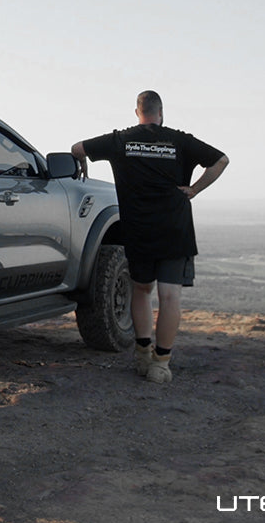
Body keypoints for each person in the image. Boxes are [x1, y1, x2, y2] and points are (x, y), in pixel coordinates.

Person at [71, 91, 228, 383]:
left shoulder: (121, 141)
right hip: (174, 228)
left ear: (137, 112)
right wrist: (194, 189)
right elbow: (221, 160)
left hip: (138, 229)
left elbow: (77, 148)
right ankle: (161, 363)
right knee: (170, 297)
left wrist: (83, 164)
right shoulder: (180, 140)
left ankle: (143, 354)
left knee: (142, 290)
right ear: (161, 112)